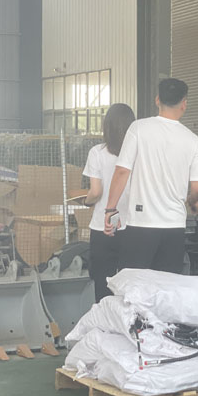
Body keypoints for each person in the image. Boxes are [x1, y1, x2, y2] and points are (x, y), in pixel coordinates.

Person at [104, 78, 198, 273]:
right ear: (184, 104)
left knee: (133, 284)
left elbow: (122, 171)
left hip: (141, 224)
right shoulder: (194, 141)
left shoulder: (138, 128)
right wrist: (192, 205)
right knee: (165, 286)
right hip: (174, 226)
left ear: (157, 100)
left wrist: (110, 209)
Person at [82, 103, 135, 302]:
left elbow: (96, 192)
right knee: (130, 287)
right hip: (132, 226)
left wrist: (87, 201)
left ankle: (105, 320)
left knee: (103, 286)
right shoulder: (137, 154)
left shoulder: (97, 152)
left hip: (103, 227)